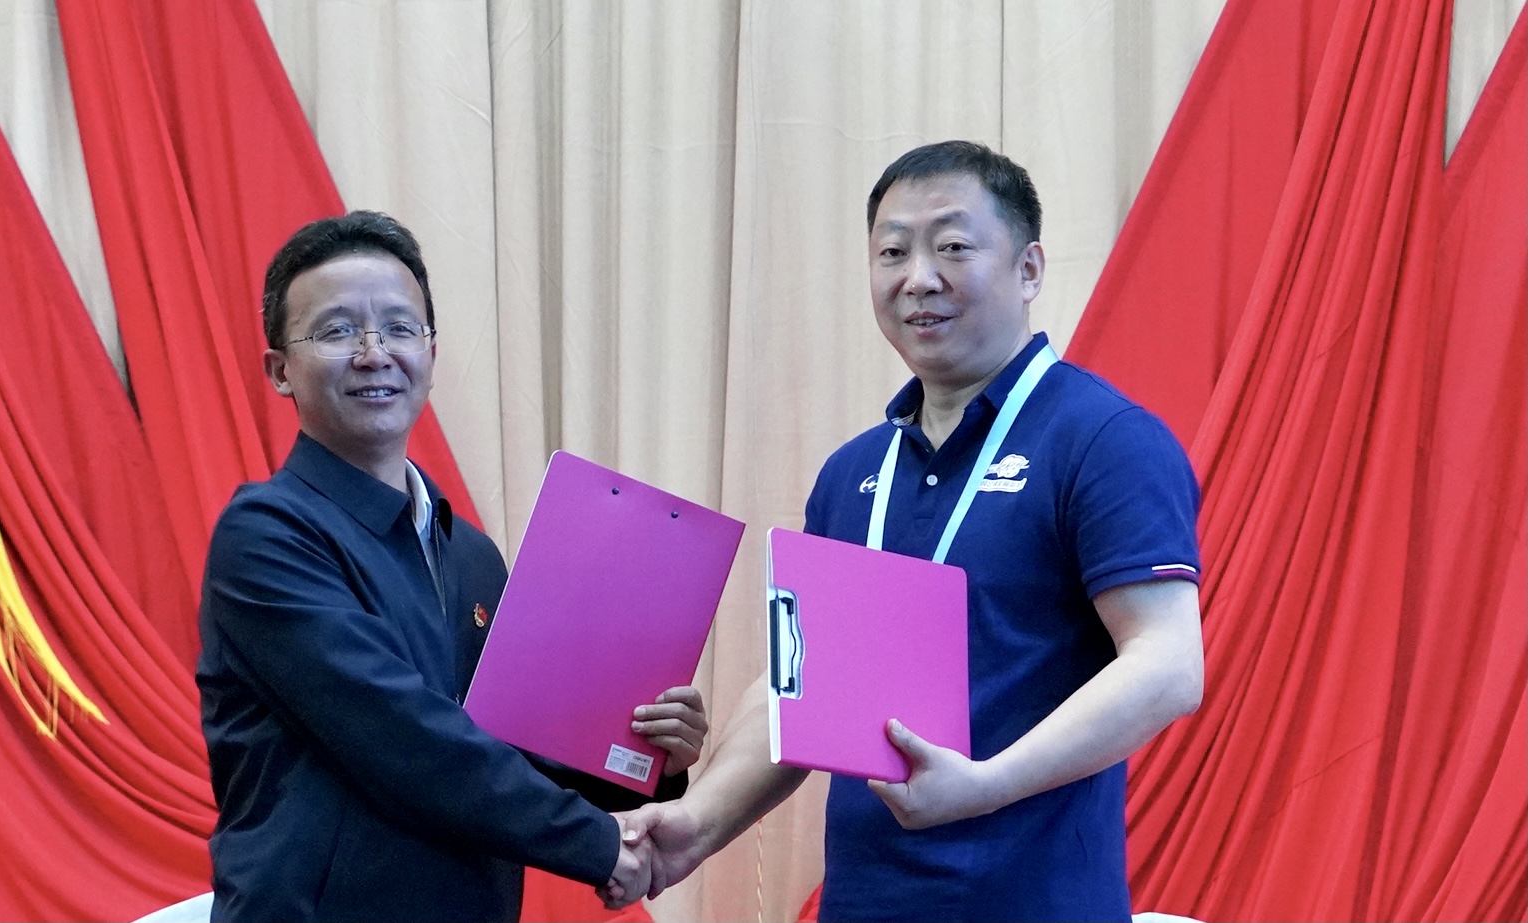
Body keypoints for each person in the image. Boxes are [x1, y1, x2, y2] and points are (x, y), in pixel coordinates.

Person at [615, 141, 1205, 922]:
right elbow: (798, 685)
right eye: (892, 251)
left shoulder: (1103, 439)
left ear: (1029, 269)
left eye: (952, 246)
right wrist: (697, 823)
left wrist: (986, 783)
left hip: (1033, 903)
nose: (918, 277)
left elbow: (1167, 664)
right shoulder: (852, 473)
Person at [197, 211, 707, 922]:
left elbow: (515, 744)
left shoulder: (468, 552)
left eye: (399, 327)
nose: (374, 353)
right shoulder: (266, 535)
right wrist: (595, 845)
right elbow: (401, 735)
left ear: (431, 353)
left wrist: (646, 759)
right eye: (337, 331)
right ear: (280, 370)